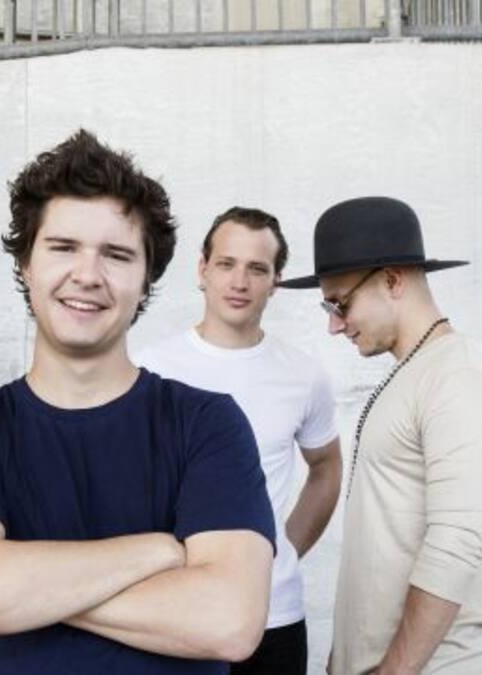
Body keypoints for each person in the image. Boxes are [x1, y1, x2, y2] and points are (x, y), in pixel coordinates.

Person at [0, 130, 276, 675]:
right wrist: (157, 552)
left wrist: (25, 593)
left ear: (146, 278)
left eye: (116, 255)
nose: (86, 275)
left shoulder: (207, 423)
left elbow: (229, 620)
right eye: (63, 248)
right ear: (26, 265)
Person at [279, 197, 482, 675]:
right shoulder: (418, 371)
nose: (333, 324)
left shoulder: (459, 373)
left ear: (391, 281)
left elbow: (456, 543)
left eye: (340, 303)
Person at [136, 206, 342, 675]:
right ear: (203, 269)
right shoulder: (150, 369)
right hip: (174, 613)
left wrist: (279, 548)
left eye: (257, 269)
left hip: (274, 617)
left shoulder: (303, 375)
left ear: (276, 281)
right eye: (226, 264)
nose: (239, 282)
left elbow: (326, 467)